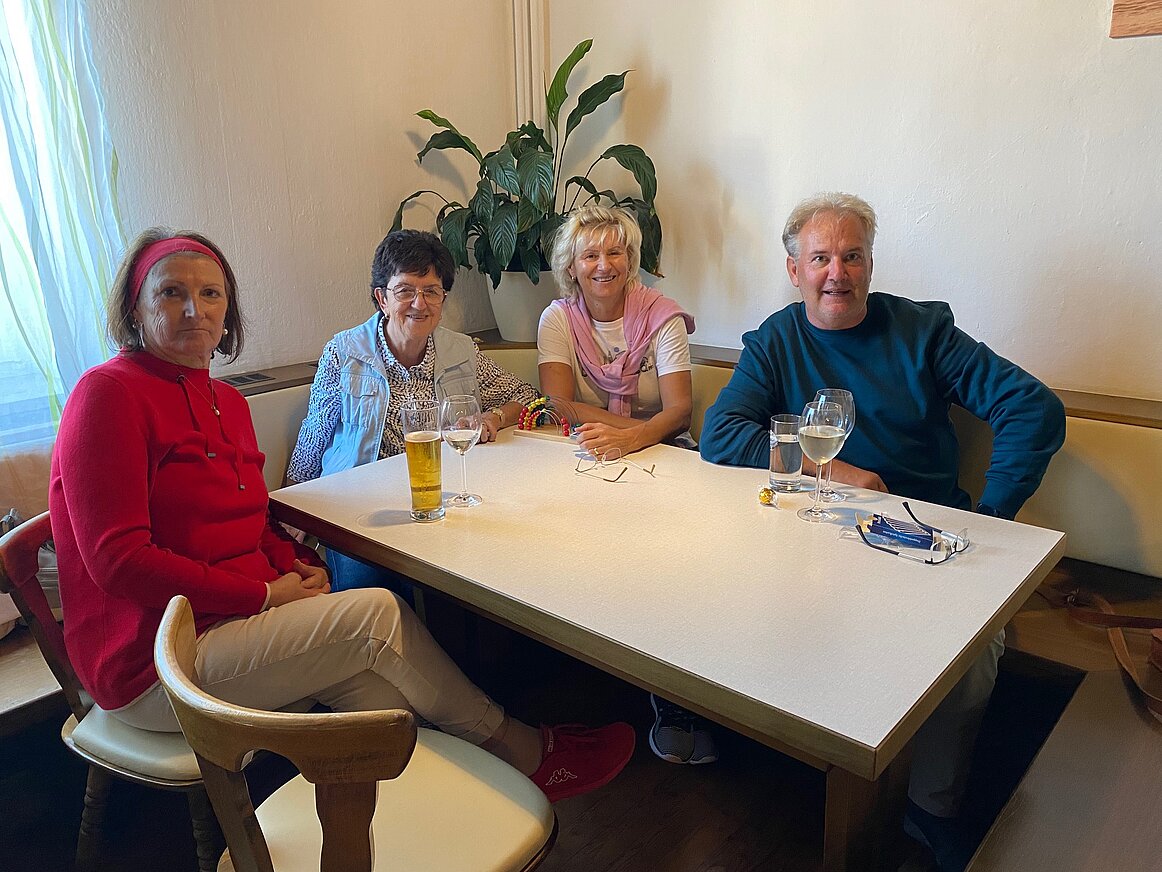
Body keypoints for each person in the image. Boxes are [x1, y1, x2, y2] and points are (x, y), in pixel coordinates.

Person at [48, 228, 634, 804]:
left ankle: (444, 802)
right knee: (378, 615)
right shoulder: (107, 394)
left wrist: (297, 562)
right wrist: (266, 594)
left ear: (228, 311)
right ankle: (522, 749)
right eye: (170, 293)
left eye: (210, 294)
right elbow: (120, 561)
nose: (194, 310)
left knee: (384, 700)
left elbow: (251, 514)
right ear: (135, 307)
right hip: (158, 662)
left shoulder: (222, 399)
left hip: (234, 618)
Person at [700, 192, 1066, 870]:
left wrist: (991, 518)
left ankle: (931, 811)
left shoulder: (923, 331)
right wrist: (834, 470)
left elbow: (1033, 408)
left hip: (921, 533)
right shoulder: (776, 339)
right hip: (819, 533)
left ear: (870, 264)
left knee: (975, 650)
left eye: (852, 256)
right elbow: (722, 435)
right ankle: (780, 767)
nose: (836, 273)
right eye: (820, 258)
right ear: (794, 270)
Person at [538, 205, 714, 766]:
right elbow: (557, 404)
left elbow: (679, 411)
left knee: (667, 559)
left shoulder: (663, 316)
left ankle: (677, 698)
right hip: (586, 453)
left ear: (631, 259)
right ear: (571, 266)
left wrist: (632, 438)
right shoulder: (557, 319)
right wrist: (622, 433)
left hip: (664, 456)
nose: (603, 264)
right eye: (589, 254)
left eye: (615, 251)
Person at [288, 230, 540, 592]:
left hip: (441, 500)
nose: (419, 304)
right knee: (376, 592)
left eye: (431, 291)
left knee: (483, 574)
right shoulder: (344, 353)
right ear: (382, 298)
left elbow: (525, 395)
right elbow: (312, 443)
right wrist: (289, 521)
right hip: (358, 509)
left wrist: (493, 417)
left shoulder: (461, 351)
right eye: (405, 291)